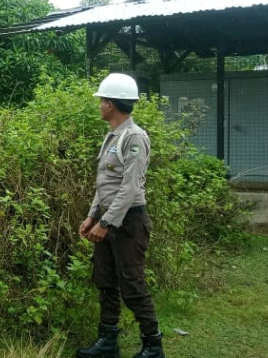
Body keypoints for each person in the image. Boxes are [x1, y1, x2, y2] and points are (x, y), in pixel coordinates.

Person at [77, 73, 164, 358]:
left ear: (111, 105)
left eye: (102, 100)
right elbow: (106, 184)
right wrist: (92, 216)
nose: (100, 104)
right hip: (107, 218)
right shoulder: (113, 135)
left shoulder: (134, 137)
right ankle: (108, 342)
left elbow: (129, 189)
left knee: (132, 284)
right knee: (106, 281)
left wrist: (105, 223)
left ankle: (153, 345)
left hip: (129, 223)